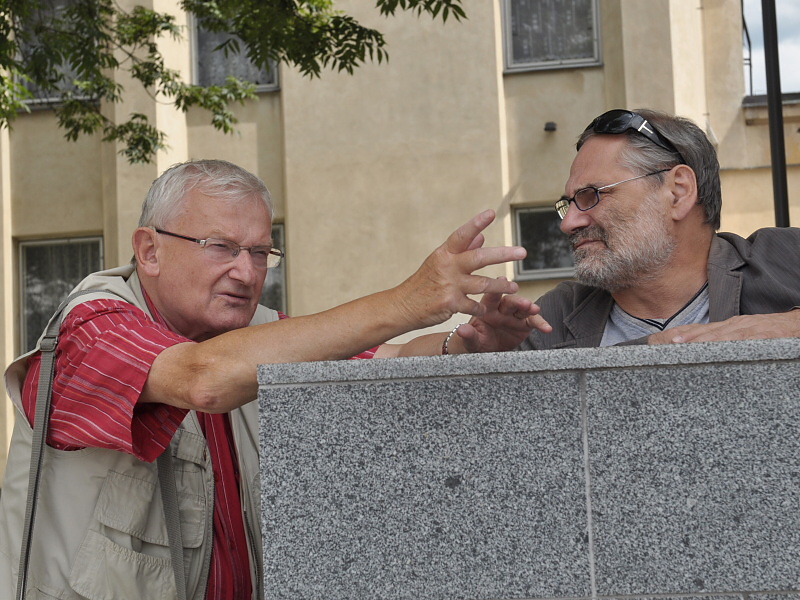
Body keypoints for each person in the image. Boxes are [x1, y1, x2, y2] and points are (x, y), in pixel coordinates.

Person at [0, 159, 552, 599]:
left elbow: (388, 361)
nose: (246, 272)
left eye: (260, 252)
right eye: (221, 247)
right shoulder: (92, 327)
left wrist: (467, 343)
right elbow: (201, 380)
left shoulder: (257, 334)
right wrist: (408, 301)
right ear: (149, 251)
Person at [519, 108, 800, 351]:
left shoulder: (786, 259)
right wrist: (490, 354)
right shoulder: (552, 318)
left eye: (592, 194)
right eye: (568, 204)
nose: (568, 223)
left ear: (678, 192)